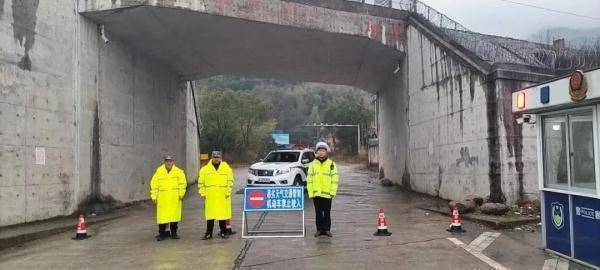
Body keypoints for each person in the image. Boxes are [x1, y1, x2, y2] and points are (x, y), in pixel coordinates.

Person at [198, 151, 235, 239]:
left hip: (223, 196)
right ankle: (208, 233)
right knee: (210, 216)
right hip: (210, 196)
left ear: (220, 158)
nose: (216, 159)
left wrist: (228, 192)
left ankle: (223, 232)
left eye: (217, 157)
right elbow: (201, 183)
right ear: (212, 158)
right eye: (214, 157)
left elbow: (230, 181)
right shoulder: (204, 169)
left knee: (222, 215)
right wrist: (203, 193)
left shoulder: (226, 169)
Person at [150, 155, 187, 241]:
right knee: (162, 217)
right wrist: (154, 196)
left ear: (173, 162)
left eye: (170, 161)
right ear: (164, 162)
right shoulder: (158, 173)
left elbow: (182, 184)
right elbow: (154, 185)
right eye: (167, 161)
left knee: (174, 217)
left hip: (174, 198)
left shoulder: (179, 172)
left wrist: (181, 194)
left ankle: (174, 233)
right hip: (162, 198)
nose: (169, 163)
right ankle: (162, 234)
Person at [307, 142, 339, 237]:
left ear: (326, 152)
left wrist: (332, 192)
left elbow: (335, 179)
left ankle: (327, 230)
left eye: (323, 151)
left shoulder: (331, 164)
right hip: (316, 194)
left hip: (327, 194)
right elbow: (309, 180)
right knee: (318, 213)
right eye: (319, 151)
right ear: (316, 152)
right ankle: (319, 229)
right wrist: (311, 192)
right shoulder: (312, 165)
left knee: (327, 212)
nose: (321, 153)